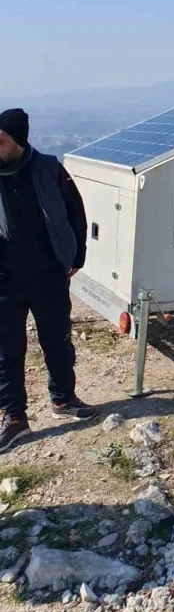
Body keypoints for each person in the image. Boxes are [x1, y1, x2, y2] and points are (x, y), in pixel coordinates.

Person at [0, 108, 97, 452]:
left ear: (19, 141)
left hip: (48, 275)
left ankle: (63, 398)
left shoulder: (48, 169)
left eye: (0, 139)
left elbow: (75, 212)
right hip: (4, 282)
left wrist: (77, 256)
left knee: (57, 341)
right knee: (7, 352)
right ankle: (14, 418)